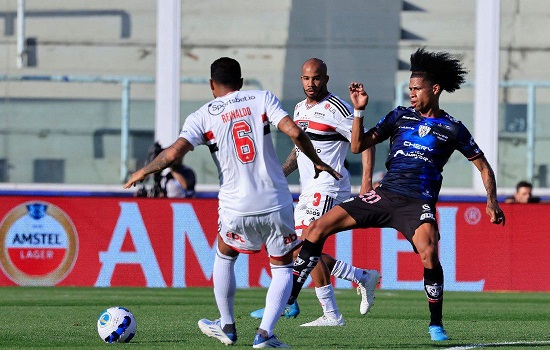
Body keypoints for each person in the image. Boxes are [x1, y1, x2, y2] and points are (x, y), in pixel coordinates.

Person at [287, 48, 506, 342]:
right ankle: (289, 299)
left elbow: (483, 166)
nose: (412, 94)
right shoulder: (399, 116)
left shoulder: (452, 128)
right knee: (317, 228)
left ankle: (436, 324)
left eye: (417, 89)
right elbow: (358, 145)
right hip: (385, 195)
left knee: (429, 252)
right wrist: (359, 111)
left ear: (435, 89)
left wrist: (491, 201)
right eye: (410, 89)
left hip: (417, 203)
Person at [123, 57, 341, 348]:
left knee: (225, 253)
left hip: (235, 204)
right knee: (282, 267)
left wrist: (143, 170)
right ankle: (265, 334)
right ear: (241, 82)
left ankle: (227, 325)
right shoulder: (261, 98)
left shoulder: (202, 115)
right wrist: (317, 162)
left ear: (212, 85)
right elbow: (295, 132)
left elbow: (173, 155)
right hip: (275, 200)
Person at [249, 58, 380, 327]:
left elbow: (365, 142)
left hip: (329, 187)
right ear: (301, 80)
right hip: (308, 189)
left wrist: (366, 181)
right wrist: (277, 176)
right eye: (307, 79)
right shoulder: (298, 110)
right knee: (300, 250)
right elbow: (299, 151)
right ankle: (357, 281)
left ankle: (307, 307)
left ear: (326, 79)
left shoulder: (338, 110)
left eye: (317, 78)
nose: (312, 84)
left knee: (306, 245)